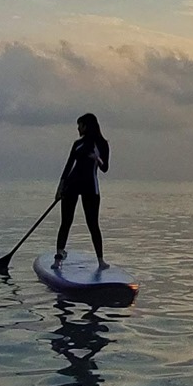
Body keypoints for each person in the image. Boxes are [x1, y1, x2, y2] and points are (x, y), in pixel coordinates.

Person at [54, 113, 111, 269]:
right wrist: (60, 188)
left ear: (86, 126)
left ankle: (101, 261)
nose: (78, 128)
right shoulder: (77, 144)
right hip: (72, 185)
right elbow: (68, 166)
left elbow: (105, 167)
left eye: (80, 125)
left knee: (93, 224)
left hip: (90, 187)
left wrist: (96, 159)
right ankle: (58, 257)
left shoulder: (102, 144)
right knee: (66, 221)